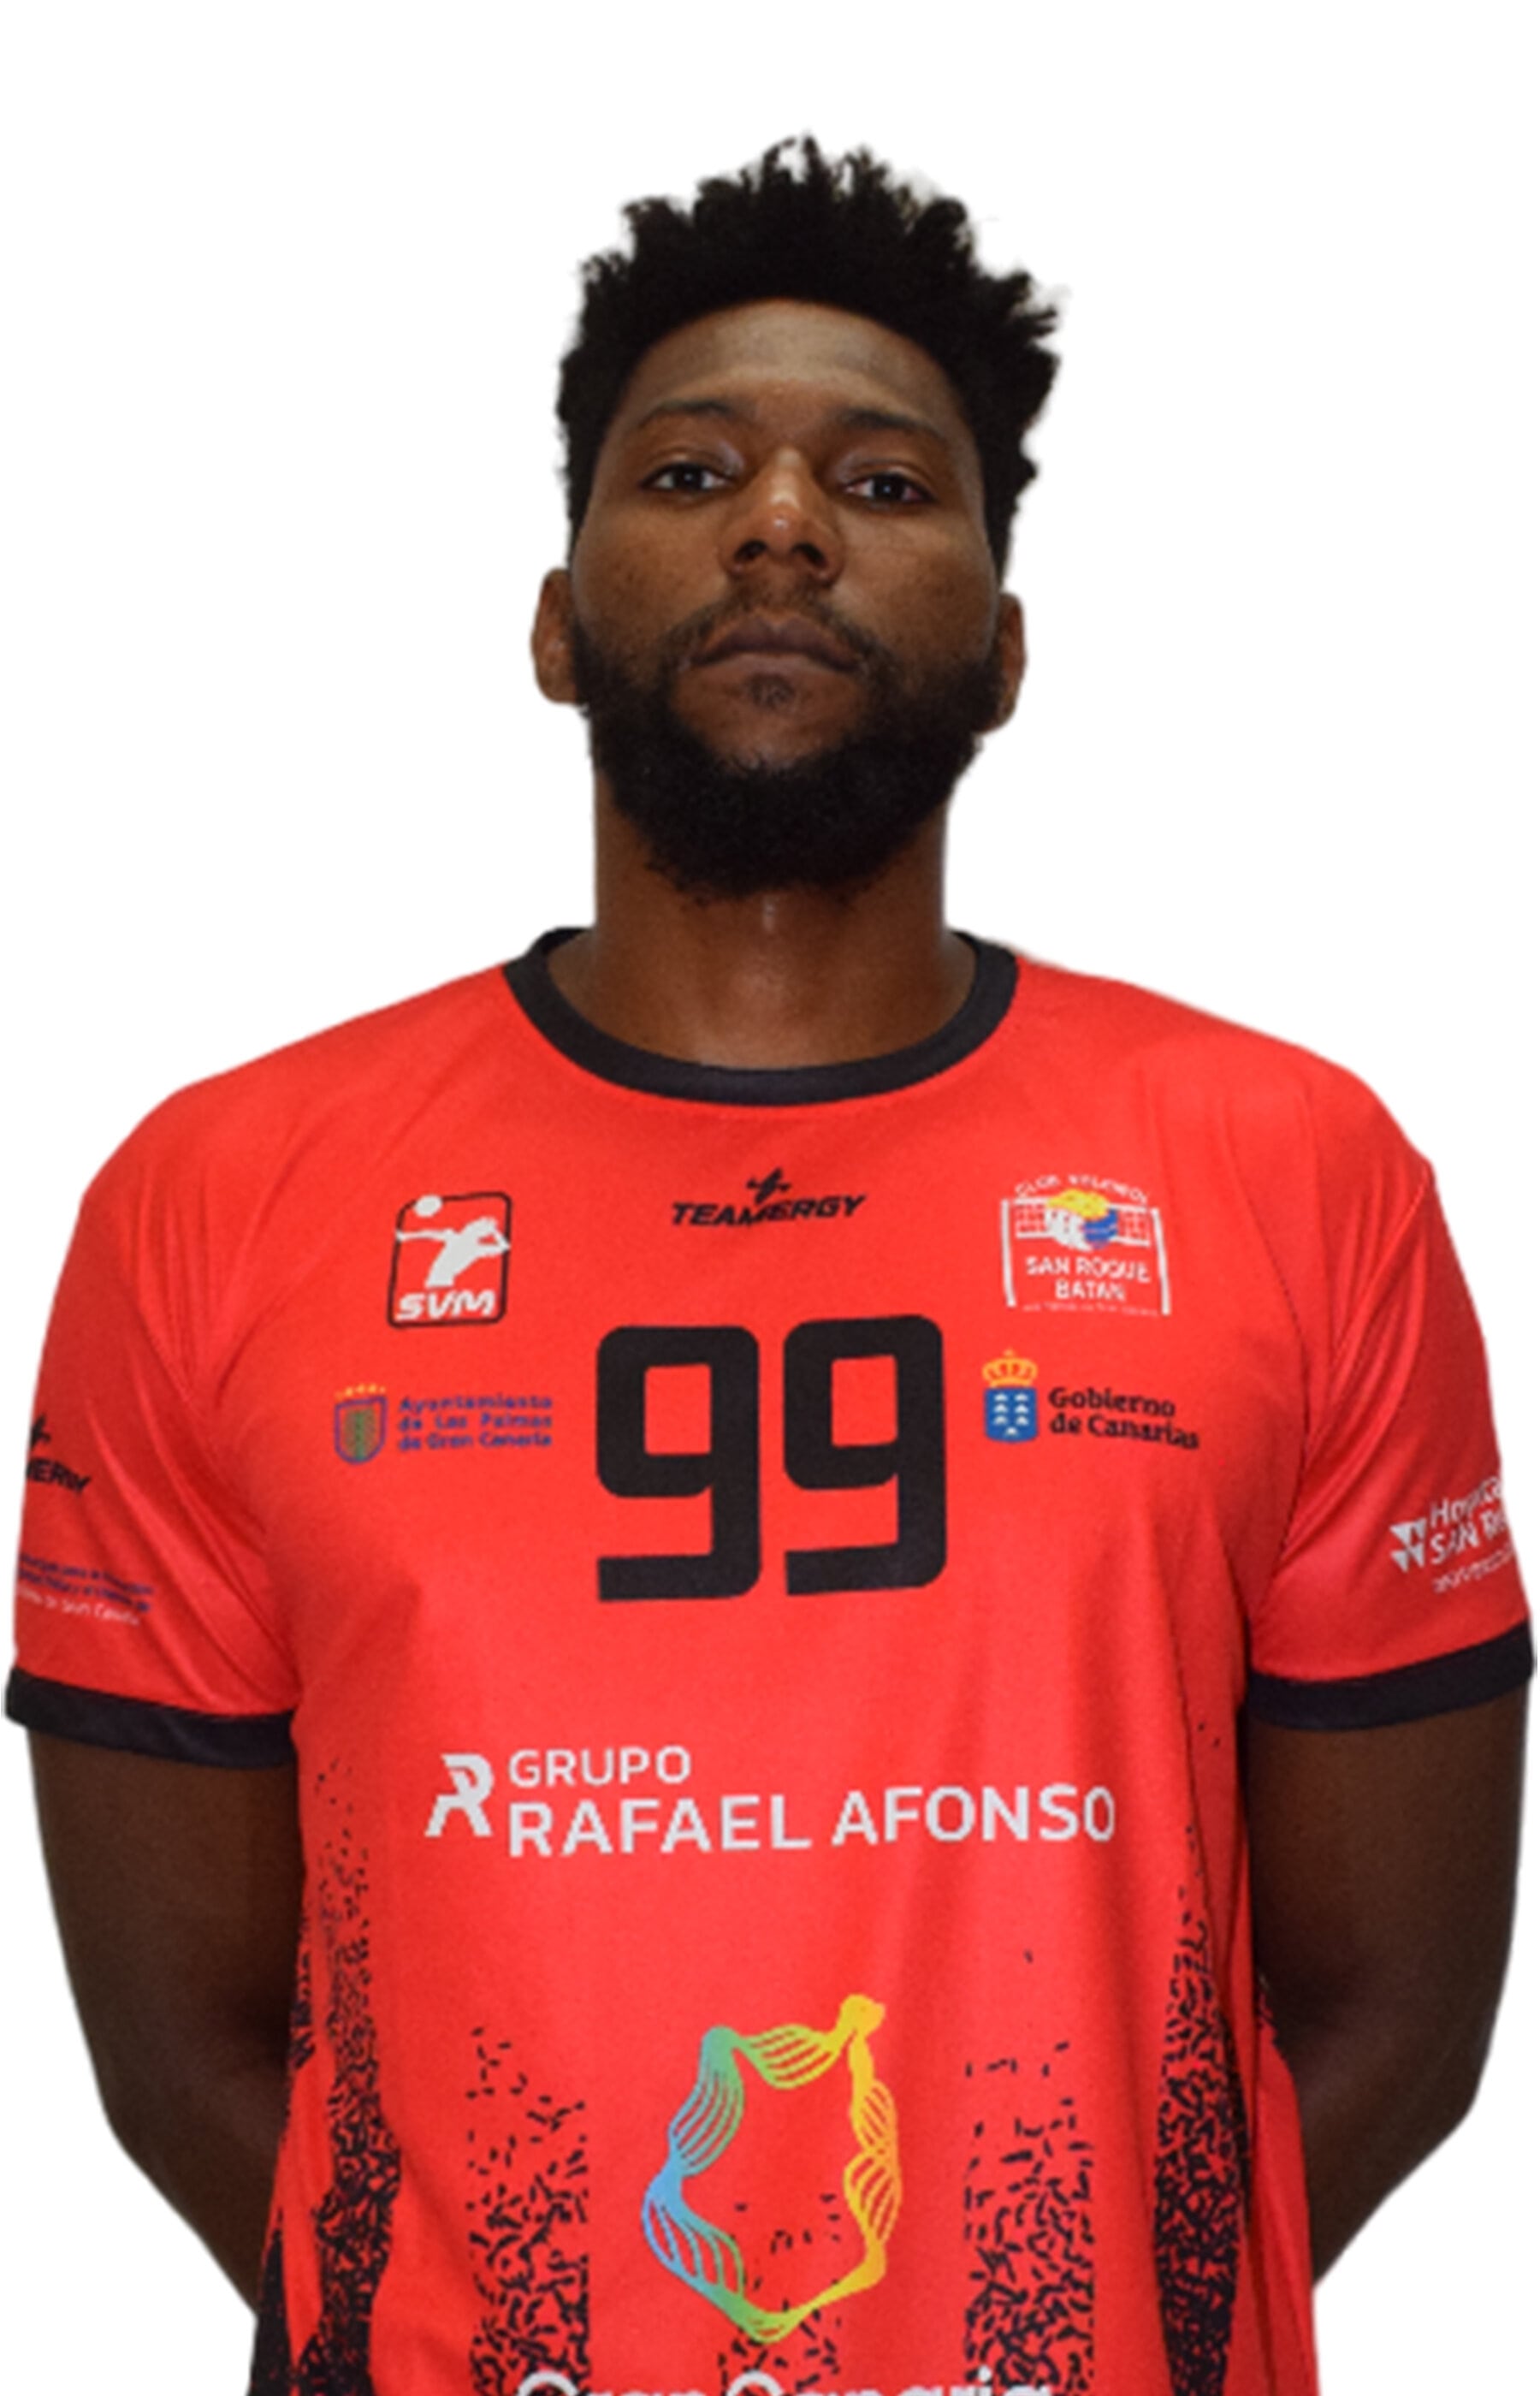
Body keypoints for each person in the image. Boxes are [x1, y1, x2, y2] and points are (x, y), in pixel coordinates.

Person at [8, 138, 1530, 2395]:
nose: (786, 524)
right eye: (693, 469)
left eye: (886, 485)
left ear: (1005, 649)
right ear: (556, 621)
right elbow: (189, 2046)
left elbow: (1396, 2008)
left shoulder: (1296, 1171)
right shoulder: (220, 1195)